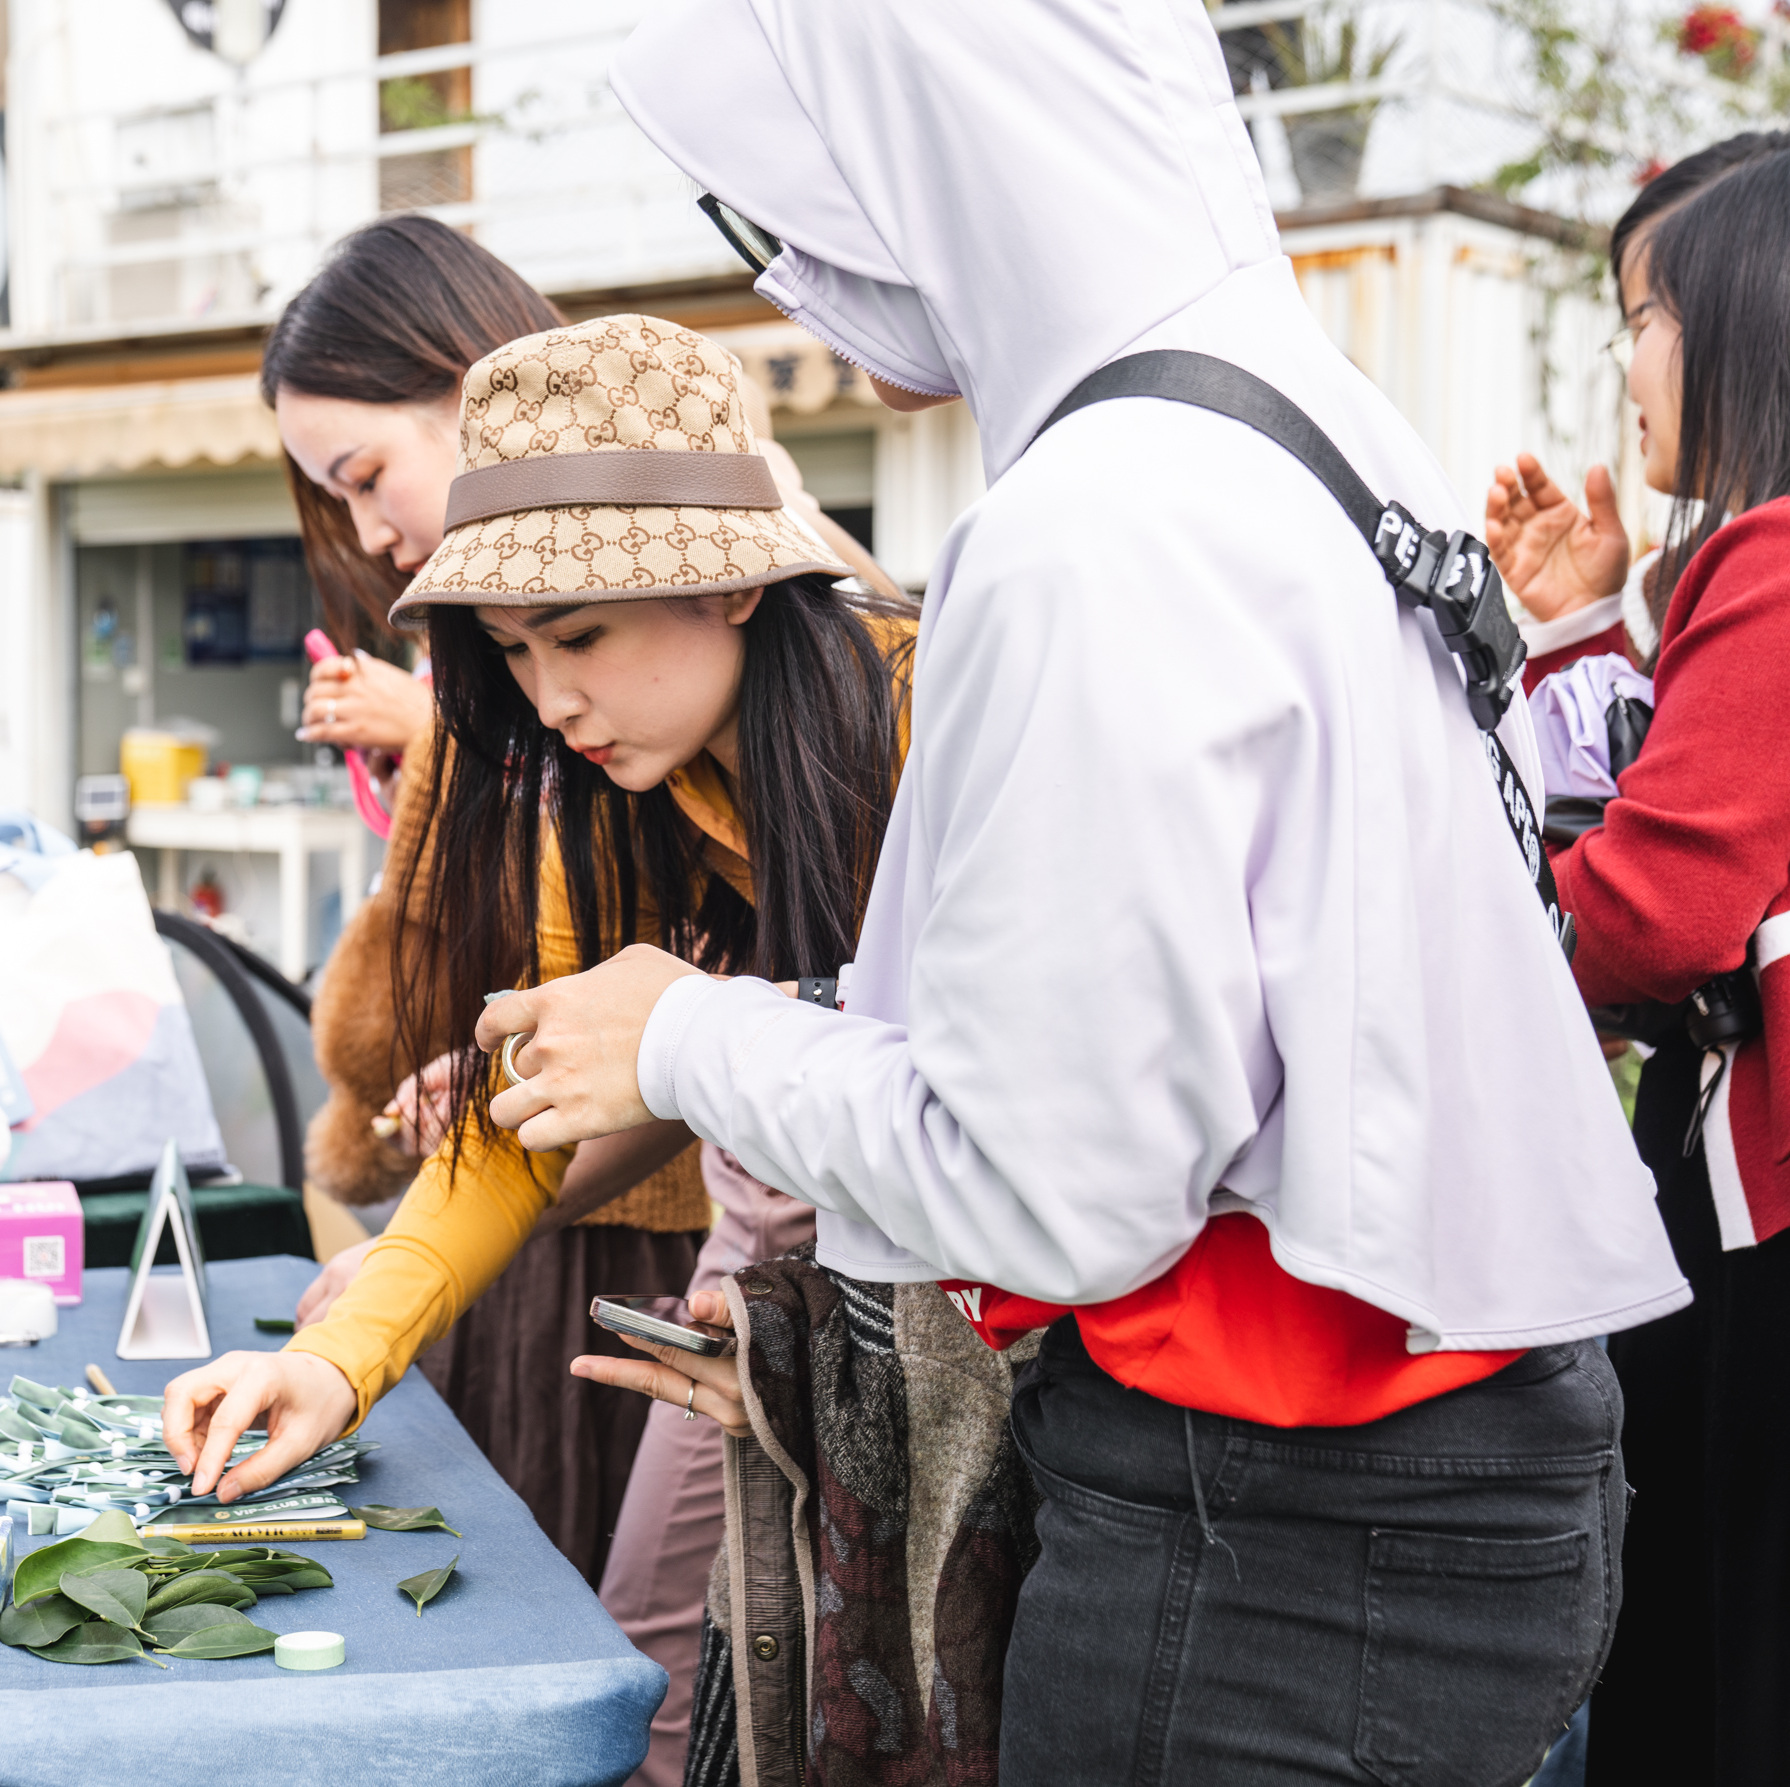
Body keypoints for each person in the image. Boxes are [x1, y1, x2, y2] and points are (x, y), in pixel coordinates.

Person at [481, 0, 1687, 1780]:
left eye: (796, 208)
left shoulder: (1093, 525)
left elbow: (1058, 1191)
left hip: (1277, 1522)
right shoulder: (1302, 421)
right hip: (1455, 1454)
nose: (796, 279)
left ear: (931, 145)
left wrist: (691, 1033)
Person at [166, 316, 932, 1768]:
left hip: (1001, 1297)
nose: (549, 694)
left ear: (735, 586)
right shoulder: (616, 778)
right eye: (513, 651)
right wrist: (340, 1353)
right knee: (657, 1652)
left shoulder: (926, 713)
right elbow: (541, 1109)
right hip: (781, 1255)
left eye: (578, 635)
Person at [1540, 142, 1790, 1784]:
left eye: (1639, 312)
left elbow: (1651, 906)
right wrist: (1580, 627)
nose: (1622, 360)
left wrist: (1458, 932)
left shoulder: (1773, 562)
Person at [1484, 131, 1790, 689]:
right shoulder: (1680, 584)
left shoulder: (1767, 577)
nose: (1631, 369)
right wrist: (1583, 619)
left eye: (1643, 322)